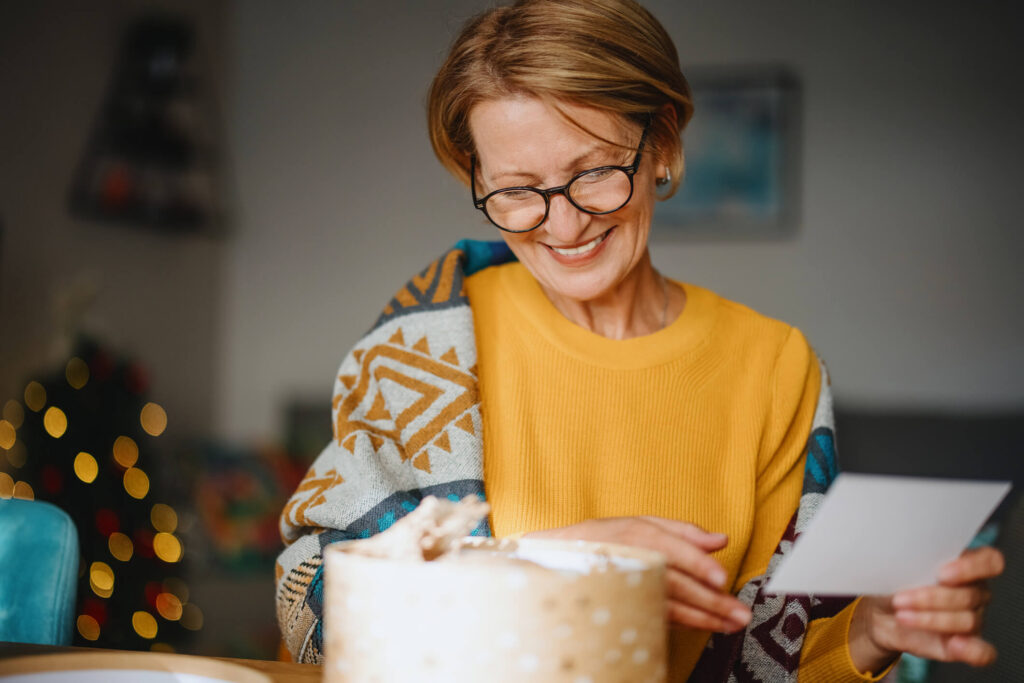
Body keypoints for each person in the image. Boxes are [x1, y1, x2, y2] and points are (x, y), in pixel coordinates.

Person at [275, 0, 1005, 679]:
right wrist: (566, 562)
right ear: (477, 176)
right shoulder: (420, 345)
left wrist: (871, 631)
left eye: (594, 173)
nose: (562, 227)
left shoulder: (775, 366)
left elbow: (762, 662)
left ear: (663, 143)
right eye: (517, 189)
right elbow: (308, 608)